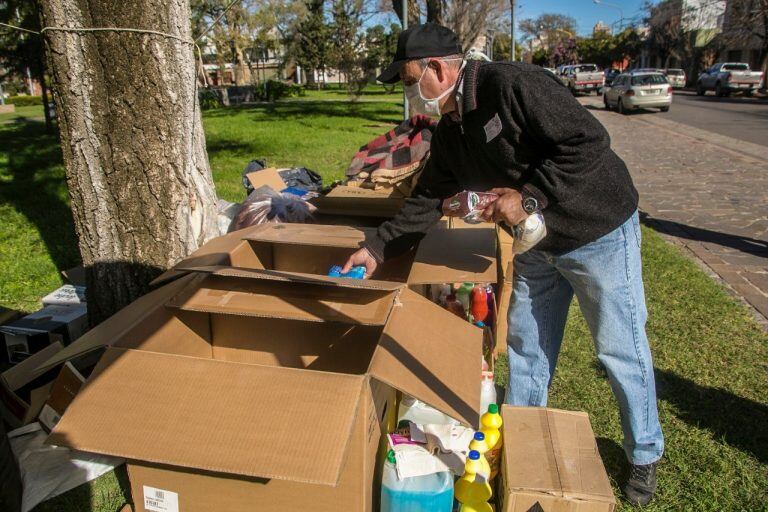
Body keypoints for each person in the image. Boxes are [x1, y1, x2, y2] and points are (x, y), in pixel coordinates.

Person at [341, 23, 664, 506]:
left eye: (409, 81)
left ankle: (644, 452)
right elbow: (427, 198)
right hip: (537, 244)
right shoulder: (451, 129)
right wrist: (377, 248)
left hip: (597, 229)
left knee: (619, 347)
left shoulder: (511, 85)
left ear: (438, 67)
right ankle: (520, 448)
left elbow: (588, 142)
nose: (409, 94)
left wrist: (529, 197)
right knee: (526, 349)